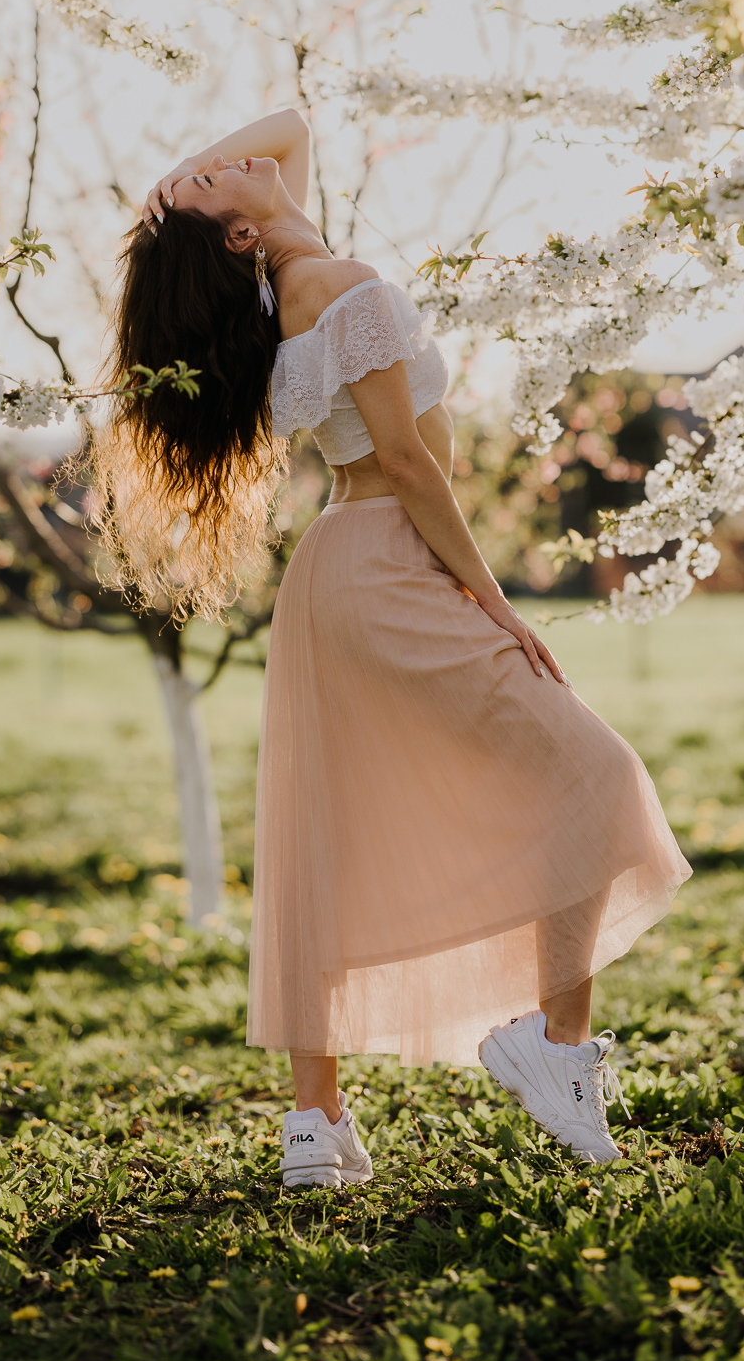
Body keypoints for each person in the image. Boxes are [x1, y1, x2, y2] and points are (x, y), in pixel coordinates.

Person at [99, 108, 690, 1189]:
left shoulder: (293, 289)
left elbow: (288, 128)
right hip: (388, 560)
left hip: (337, 573)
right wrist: (495, 601)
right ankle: (553, 1049)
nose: (231, 161)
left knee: (327, 836)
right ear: (239, 235)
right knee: (593, 774)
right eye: (215, 182)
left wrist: (181, 188)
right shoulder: (343, 287)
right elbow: (412, 464)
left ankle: (315, 1127)